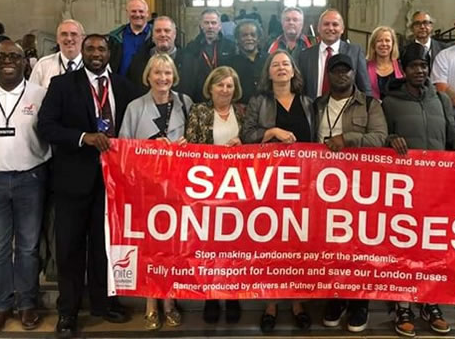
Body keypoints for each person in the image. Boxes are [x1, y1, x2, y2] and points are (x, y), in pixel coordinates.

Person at [37, 34, 139, 337]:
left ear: (110, 53)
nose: (96, 53)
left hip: (111, 183)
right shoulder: (63, 85)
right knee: (69, 248)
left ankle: (104, 303)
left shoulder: (124, 87)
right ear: (82, 51)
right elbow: (47, 126)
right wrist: (84, 137)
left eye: (102, 49)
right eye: (91, 48)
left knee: (103, 247)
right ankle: (67, 311)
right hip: (72, 180)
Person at [382, 42, 455, 337]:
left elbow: (451, 133)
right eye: (413, 66)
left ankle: (430, 301)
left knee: (431, 247)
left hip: (436, 187)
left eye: (423, 66)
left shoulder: (441, 99)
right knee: (401, 246)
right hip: (402, 188)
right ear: (403, 69)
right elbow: (383, 136)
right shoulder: (390, 101)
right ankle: (402, 304)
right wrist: (391, 138)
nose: (419, 71)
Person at [0, 40, 50, 335]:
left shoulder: (40, 95)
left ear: (24, 61)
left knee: (29, 247)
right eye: (2, 56)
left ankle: (28, 302)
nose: (8, 61)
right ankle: (2, 305)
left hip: (30, 179)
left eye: (15, 57)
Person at [241, 50, 314, 333]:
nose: (281, 68)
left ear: (294, 71)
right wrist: (272, 132)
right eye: (276, 65)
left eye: (286, 64)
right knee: (269, 243)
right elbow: (248, 136)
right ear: (268, 73)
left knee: (298, 243)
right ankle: (270, 303)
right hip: (268, 184)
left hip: (304, 184)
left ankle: (297, 302)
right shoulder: (259, 101)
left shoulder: (309, 103)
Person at [316, 53, 387, 333]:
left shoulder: (370, 104)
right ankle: (337, 297)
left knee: (360, 244)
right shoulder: (317, 104)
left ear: (353, 74)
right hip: (324, 186)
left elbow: (379, 138)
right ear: (329, 75)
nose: (341, 75)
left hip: (361, 186)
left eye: (346, 71)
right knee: (332, 244)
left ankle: (360, 301)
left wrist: (347, 139)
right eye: (336, 70)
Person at [119, 53, 191, 331]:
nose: (163, 78)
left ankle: (170, 301)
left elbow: (200, 144)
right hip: (145, 188)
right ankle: (151, 301)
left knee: (173, 247)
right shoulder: (135, 108)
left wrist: (187, 146)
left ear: (174, 77)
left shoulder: (185, 103)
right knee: (149, 247)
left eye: (168, 73)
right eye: (157, 73)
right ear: (148, 76)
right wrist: (149, 147)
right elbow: (123, 148)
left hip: (178, 188)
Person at [185, 66, 244, 323]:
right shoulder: (199, 111)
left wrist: (244, 145)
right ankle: (211, 296)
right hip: (207, 189)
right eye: (220, 85)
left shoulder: (243, 111)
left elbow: (254, 143)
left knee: (235, 247)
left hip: (239, 190)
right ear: (210, 87)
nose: (224, 90)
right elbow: (192, 145)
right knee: (209, 247)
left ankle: (232, 297)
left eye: (229, 85)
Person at [297, 8, 372, 99]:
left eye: (335, 24)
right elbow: (300, 89)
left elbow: (365, 88)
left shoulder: (355, 53)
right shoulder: (305, 55)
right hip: (313, 110)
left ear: (342, 29)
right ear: (319, 28)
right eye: (326, 24)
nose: (330, 28)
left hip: (347, 110)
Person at [179, 9, 236, 102]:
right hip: (199, 97)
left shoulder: (230, 47)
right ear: (201, 25)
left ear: (220, 26)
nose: (210, 26)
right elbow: (187, 76)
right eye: (206, 23)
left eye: (213, 23)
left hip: (224, 96)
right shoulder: (192, 47)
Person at [126, 16, 182, 91]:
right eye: (158, 31)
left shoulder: (191, 62)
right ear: (152, 35)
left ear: (174, 34)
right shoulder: (138, 62)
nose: (162, 34)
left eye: (167, 30)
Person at [222, 19, 268, 103]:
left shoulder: (269, 59)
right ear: (237, 39)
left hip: (266, 109)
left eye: (253, 35)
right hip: (240, 110)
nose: (249, 38)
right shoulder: (229, 63)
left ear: (258, 38)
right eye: (244, 35)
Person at [30, 19, 85, 88]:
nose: (69, 38)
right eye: (64, 34)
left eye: (74, 34)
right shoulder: (43, 65)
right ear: (58, 39)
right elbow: (32, 96)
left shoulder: (91, 65)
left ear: (83, 39)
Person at [108, 0, 152, 76]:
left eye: (141, 11)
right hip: (121, 85)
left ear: (147, 13)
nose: (137, 15)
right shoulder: (116, 37)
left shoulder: (155, 36)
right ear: (127, 13)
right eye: (133, 11)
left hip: (149, 86)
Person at [366, 26, 404, 100]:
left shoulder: (401, 66)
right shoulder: (364, 67)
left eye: (387, 40)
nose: (384, 44)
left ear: (393, 44)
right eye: (379, 41)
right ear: (373, 44)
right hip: (372, 109)